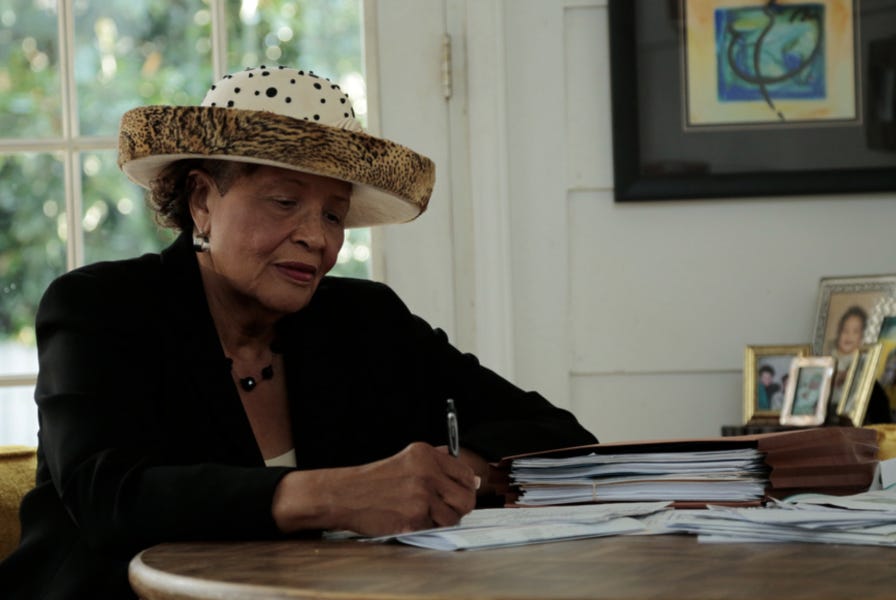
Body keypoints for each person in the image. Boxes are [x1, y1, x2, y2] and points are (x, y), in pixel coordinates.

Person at [0, 66, 597, 599]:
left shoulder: (365, 318)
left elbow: (558, 435)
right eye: (285, 201)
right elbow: (110, 500)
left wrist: (451, 473)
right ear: (203, 200)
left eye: (334, 214)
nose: (317, 236)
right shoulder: (102, 307)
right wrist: (340, 495)